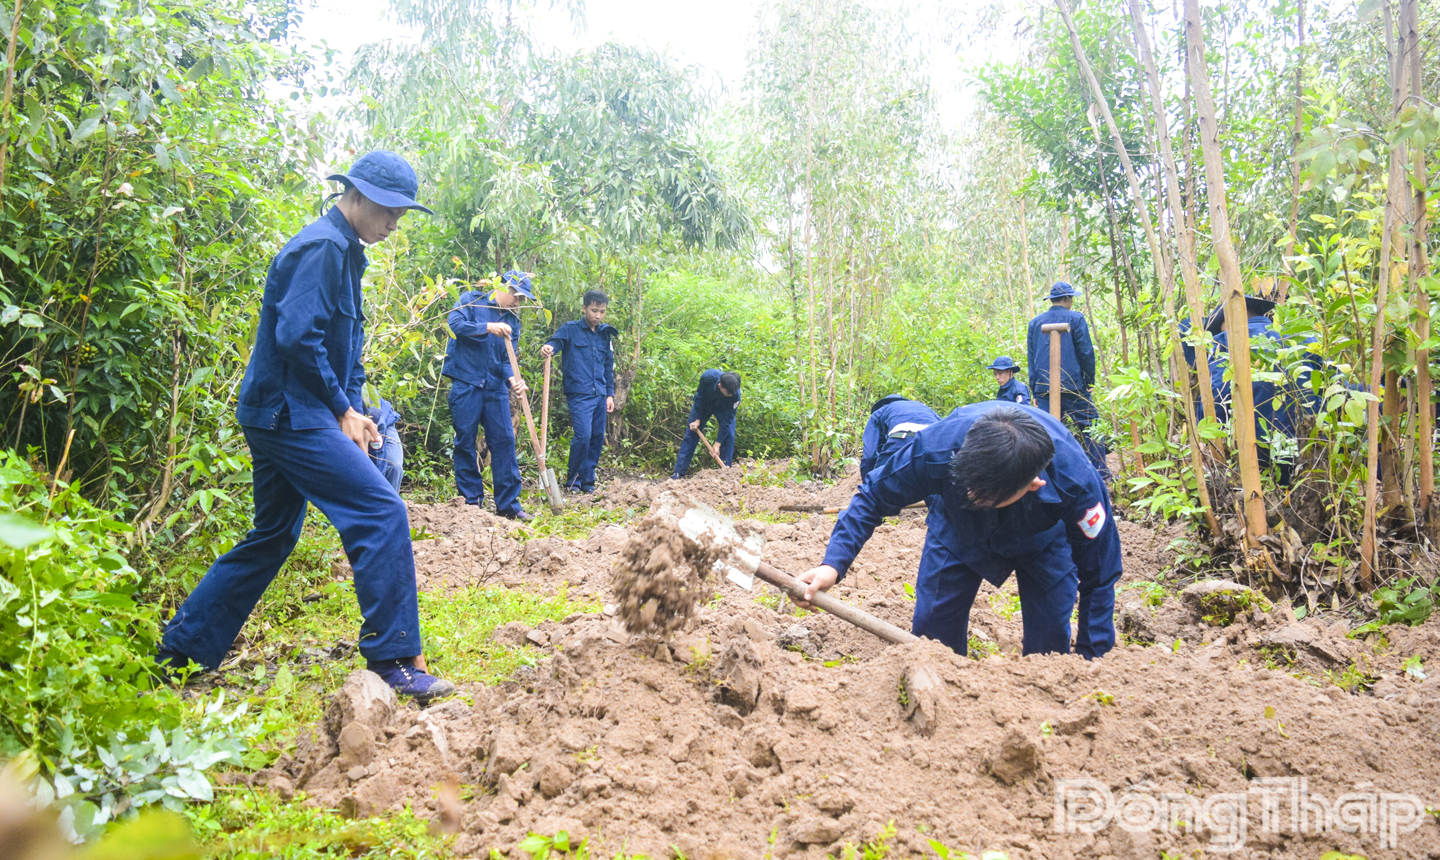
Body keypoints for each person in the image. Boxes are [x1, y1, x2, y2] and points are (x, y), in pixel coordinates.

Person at [157, 151, 454, 700]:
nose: (394, 222)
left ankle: (179, 654)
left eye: (403, 214)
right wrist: (340, 409)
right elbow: (298, 339)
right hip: (290, 412)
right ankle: (394, 660)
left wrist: (356, 408)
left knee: (272, 535)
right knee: (380, 510)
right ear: (357, 195)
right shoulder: (322, 246)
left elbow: (343, 349)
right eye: (389, 209)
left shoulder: (346, 252)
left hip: (285, 410)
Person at [798, 403, 1121, 659]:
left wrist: (1094, 662)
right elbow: (872, 497)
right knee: (933, 639)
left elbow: (1100, 575)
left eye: (985, 496)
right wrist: (833, 565)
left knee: (1050, 645)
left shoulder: (1075, 483)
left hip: (1044, 540)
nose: (972, 495)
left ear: (1034, 484)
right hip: (957, 531)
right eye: (967, 487)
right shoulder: (935, 449)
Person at [443, 270, 537, 522]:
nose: (519, 302)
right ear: (504, 288)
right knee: (465, 440)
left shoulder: (513, 321)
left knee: (505, 440)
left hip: (495, 387)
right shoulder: (471, 300)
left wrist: (513, 380)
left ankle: (508, 505)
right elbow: (455, 326)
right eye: (517, 296)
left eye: (523, 299)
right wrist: (487, 327)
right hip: (466, 382)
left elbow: (508, 358)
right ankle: (471, 502)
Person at [1027, 281, 1109, 479]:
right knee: (1092, 426)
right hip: (1072, 385)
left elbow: (1031, 358)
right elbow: (1086, 352)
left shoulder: (1035, 323)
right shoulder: (1076, 318)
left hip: (1044, 387)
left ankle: (1051, 475)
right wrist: (1089, 381)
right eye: (1071, 298)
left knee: (1047, 431)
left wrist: (1035, 389)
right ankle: (1101, 472)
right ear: (1067, 299)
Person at [541, 290, 618, 494]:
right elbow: (556, 342)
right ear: (584, 308)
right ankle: (573, 480)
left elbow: (608, 366)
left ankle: (587, 481)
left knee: (596, 438)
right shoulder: (570, 329)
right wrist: (549, 347)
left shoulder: (605, 334)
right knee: (583, 436)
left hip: (600, 394)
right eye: (594, 310)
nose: (598, 316)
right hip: (579, 393)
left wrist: (610, 394)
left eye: (602, 311)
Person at [671, 369, 741, 479]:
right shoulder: (708, 377)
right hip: (705, 405)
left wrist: (717, 443)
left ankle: (726, 473)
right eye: (729, 393)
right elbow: (700, 397)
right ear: (720, 386)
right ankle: (679, 473)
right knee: (691, 433)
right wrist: (697, 418)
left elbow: (727, 420)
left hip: (724, 410)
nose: (732, 394)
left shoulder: (735, 395)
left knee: (729, 436)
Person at [860, 394, 940, 482]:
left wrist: (867, 484)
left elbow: (870, 456)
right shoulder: (927, 409)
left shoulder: (880, 411)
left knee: (881, 488)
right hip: (933, 443)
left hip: (901, 439)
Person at [362, 390, 404, 492]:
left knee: (394, 466)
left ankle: (389, 504)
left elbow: (377, 458)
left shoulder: (365, 399)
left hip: (382, 423)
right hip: (358, 424)